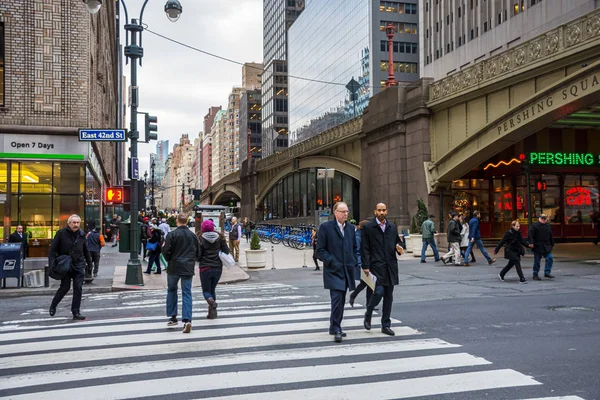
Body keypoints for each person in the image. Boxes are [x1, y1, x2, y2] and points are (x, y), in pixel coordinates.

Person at [317, 201, 357, 343]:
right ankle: (337, 328)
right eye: (342, 211)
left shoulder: (351, 229)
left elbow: (353, 247)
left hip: (347, 270)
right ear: (335, 213)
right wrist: (331, 261)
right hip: (333, 270)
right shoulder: (326, 228)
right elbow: (320, 250)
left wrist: (354, 261)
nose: (346, 214)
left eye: (347, 211)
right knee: (337, 299)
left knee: (340, 301)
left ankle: (334, 326)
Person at [361, 203, 404, 336]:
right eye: (379, 210)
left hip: (390, 266)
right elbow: (365, 248)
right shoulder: (368, 227)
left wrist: (399, 247)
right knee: (378, 292)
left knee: (389, 297)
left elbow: (399, 242)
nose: (381, 212)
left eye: (384, 210)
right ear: (375, 212)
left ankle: (386, 324)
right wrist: (365, 266)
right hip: (376, 266)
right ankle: (368, 312)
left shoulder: (391, 227)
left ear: (387, 211)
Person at [48, 214, 93, 321]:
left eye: (77, 222)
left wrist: (90, 265)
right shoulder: (61, 233)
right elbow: (52, 250)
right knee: (65, 287)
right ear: (69, 223)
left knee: (78, 287)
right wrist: (52, 265)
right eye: (74, 222)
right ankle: (53, 305)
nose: (76, 224)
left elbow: (86, 250)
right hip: (66, 264)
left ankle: (76, 312)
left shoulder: (82, 234)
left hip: (78, 264)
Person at [162, 214, 199, 333]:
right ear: (187, 222)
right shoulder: (193, 236)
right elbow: (198, 252)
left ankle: (173, 316)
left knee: (172, 290)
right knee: (186, 292)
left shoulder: (172, 234)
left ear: (177, 221)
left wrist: (170, 260)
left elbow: (166, 251)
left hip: (174, 266)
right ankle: (187, 320)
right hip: (187, 267)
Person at [197, 219, 230, 319]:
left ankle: (212, 302)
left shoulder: (199, 239)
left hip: (205, 268)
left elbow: (198, 256)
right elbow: (227, 251)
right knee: (212, 289)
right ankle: (212, 313)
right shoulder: (220, 238)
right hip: (217, 267)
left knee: (206, 291)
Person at [349, 220, 372, 307]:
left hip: (367, 262)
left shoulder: (364, 235)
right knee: (367, 282)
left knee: (368, 283)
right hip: (363, 263)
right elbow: (357, 251)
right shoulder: (358, 237)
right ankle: (367, 302)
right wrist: (360, 264)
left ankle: (367, 302)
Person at [529, 213, 555, 280]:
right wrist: (531, 243)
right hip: (538, 246)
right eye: (542, 218)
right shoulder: (534, 226)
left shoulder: (548, 226)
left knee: (550, 258)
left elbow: (550, 235)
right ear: (539, 218)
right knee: (537, 261)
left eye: (545, 219)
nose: (543, 220)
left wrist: (552, 244)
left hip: (546, 245)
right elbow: (530, 235)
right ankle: (535, 274)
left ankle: (547, 272)